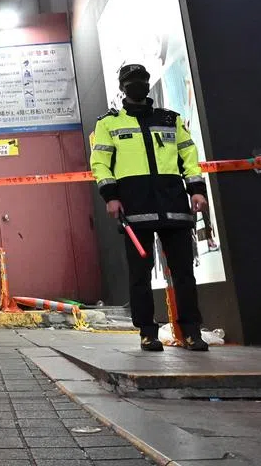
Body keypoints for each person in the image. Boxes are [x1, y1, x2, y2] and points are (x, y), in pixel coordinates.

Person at [90, 64, 213, 352]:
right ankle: (147, 331)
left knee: (184, 272)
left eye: (142, 81)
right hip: (135, 208)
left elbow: (189, 156)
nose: (139, 85)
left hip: (174, 205)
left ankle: (192, 331)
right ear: (123, 87)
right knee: (139, 275)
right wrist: (110, 196)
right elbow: (100, 164)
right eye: (132, 82)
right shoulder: (108, 123)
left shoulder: (170, 120)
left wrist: (196, 190)